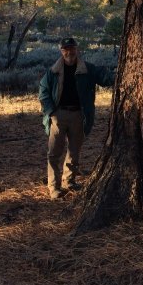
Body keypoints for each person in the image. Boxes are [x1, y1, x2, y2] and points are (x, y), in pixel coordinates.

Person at [38, 37, 115, 199]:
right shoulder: (53, 72)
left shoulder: (88, 69)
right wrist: (52, 113)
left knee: (74, 151)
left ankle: (69, 181)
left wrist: (122, 70)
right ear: (61, 51)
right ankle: (54, 187)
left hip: (79, 116)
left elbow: (106, 79)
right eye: (65, 49)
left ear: (76, 50)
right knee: (54, 153)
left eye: (72, 49)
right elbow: (43, 93)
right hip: (58, 116)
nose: (69, 52)